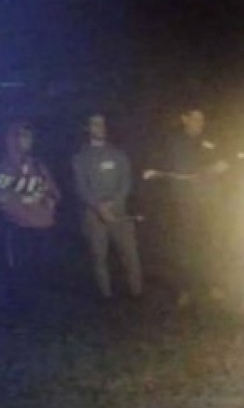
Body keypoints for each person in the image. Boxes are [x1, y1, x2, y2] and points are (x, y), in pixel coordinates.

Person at [145, 107, 230, 305]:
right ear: (184, 119)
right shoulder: (176, 142)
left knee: (211, 245)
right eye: (194, 119)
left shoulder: (211, 139)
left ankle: (212, 285)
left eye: (202, 119)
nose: (199, 123)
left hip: (210, 202)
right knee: (186, 247)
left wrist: (224, 164)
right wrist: (208, 169)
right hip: (186, 203)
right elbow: (183, 170)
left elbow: (226, 158)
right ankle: (184, 289)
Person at [72, 113, 143, 299]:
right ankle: (106, 297)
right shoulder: (80, 157)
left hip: (119, 212)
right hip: (94, 215)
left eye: (102, 124)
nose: (100, 127)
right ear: (88, 128)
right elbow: (80, 187)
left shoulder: (118, 154)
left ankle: (137, 293)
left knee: (131, 255)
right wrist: (99, 207)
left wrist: (114, 203)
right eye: (95, 124)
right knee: (99, 257)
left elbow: (126, 182)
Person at [0, 122, 60, 287]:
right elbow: (4, 200)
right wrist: (23, 206)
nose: (28, 141)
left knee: (43, 275)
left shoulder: (38, 166)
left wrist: (50, 200)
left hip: (43, 230)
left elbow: (54, 192)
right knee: (21, 277)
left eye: (29, 136)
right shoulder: (4, 169)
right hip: (20, 231)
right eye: (23, 136)